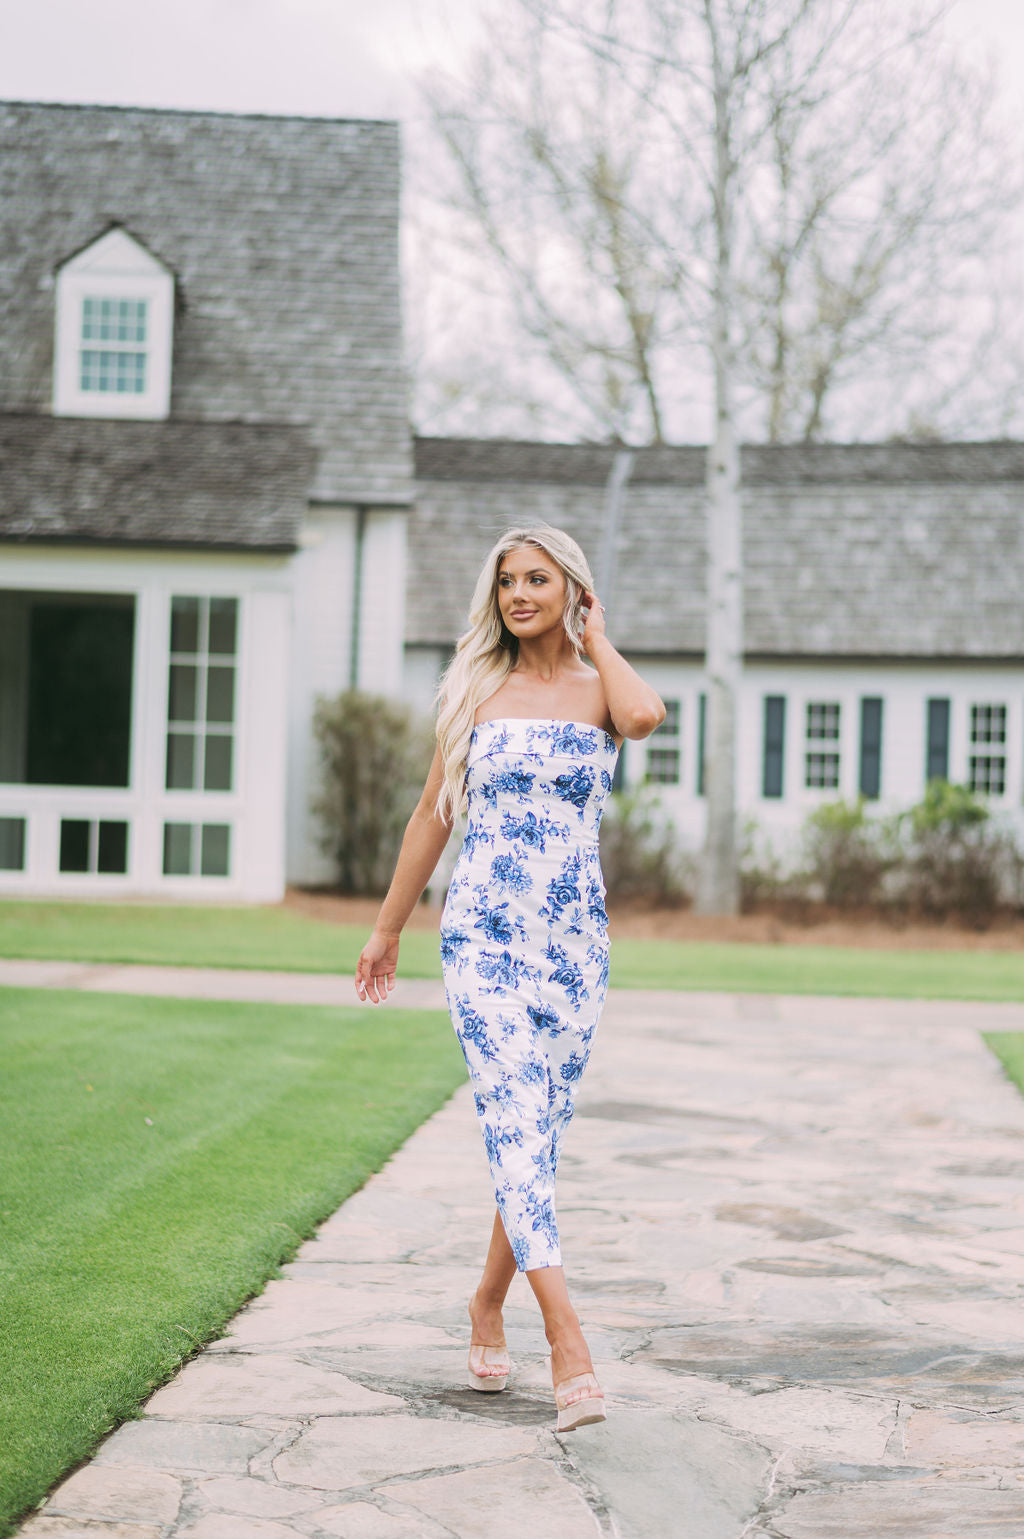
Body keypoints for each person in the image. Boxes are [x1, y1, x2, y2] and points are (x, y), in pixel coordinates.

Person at [355, 525, 665, 1431]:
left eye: (539, 579)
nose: (520, 594)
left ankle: (486, 1301)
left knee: (536, 1133)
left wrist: (597, 637)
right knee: (515, 1121)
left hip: (574, 942)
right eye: (506, 582)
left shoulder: (600, 688)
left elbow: (644, 718)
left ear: (573, 588)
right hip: (483, 936)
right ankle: (569, 1344)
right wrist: (386, 928)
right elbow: (430, 813)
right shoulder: (473, 690)